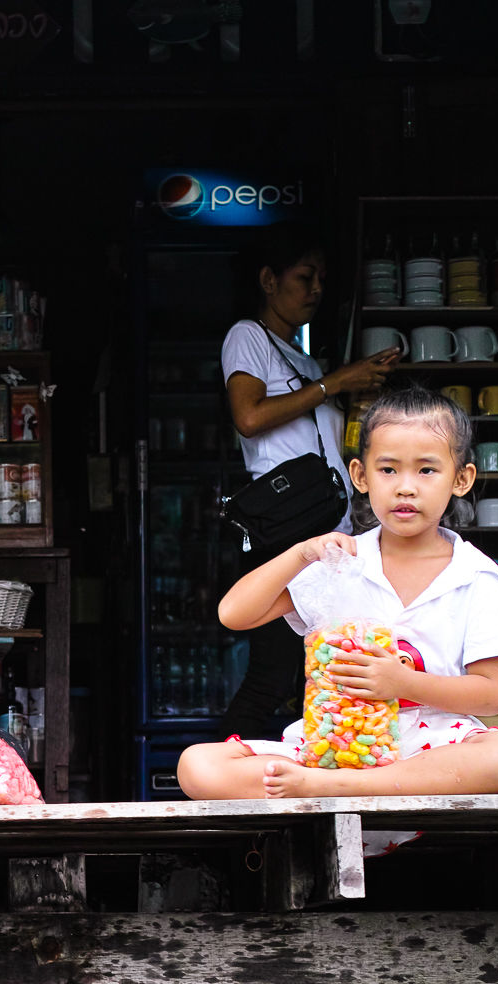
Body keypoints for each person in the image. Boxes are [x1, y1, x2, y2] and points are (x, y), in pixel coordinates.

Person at [176, 388, 498, 801]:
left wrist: (402, 682)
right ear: (360, 475)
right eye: (388, 470)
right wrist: (300, 553)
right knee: (198, 765)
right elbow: (234, 613)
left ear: (461, 479)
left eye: (426, 471)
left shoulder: (476, 578)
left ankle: (340, 790)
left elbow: (491, 694)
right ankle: (339, 782)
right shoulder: (342, 562)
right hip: (338, 743)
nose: (405, 488)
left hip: (434, 753)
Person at [216, 233, 401, 737]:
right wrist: (335, 384)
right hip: (286, 529)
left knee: (319, 667)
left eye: (321, 278)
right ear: (269, 280)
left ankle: (309, 773)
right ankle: (224, 779)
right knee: (273, 672)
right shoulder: (247, 336)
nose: (316, 288)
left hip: (324, 527)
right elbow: (249, 417)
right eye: (304, 277)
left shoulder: (303, 361)